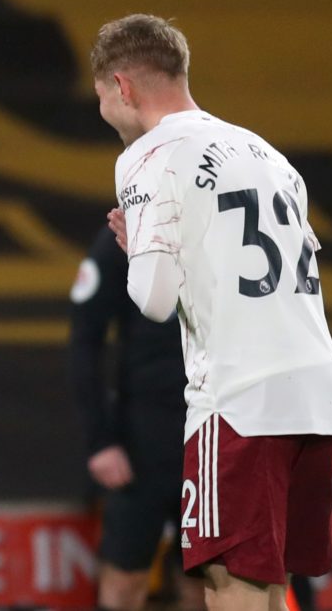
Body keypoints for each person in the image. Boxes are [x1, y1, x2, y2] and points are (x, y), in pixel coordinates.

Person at [92, 14, 332, 610]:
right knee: (271, 583)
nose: (104, 110)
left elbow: (153, 301)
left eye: (102, 95)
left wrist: (140, 251)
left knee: (230, 582)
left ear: (122, 86)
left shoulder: (148, 155)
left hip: (239, 398)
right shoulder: (268, 153)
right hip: (316, 393)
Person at [69, 225, 203, 611]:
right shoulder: (126, 232)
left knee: (206, 581)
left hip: (212, 427)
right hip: (144, 436)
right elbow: (84, 338)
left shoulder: (221, 221)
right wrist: (100, 440)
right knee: (126, 577)